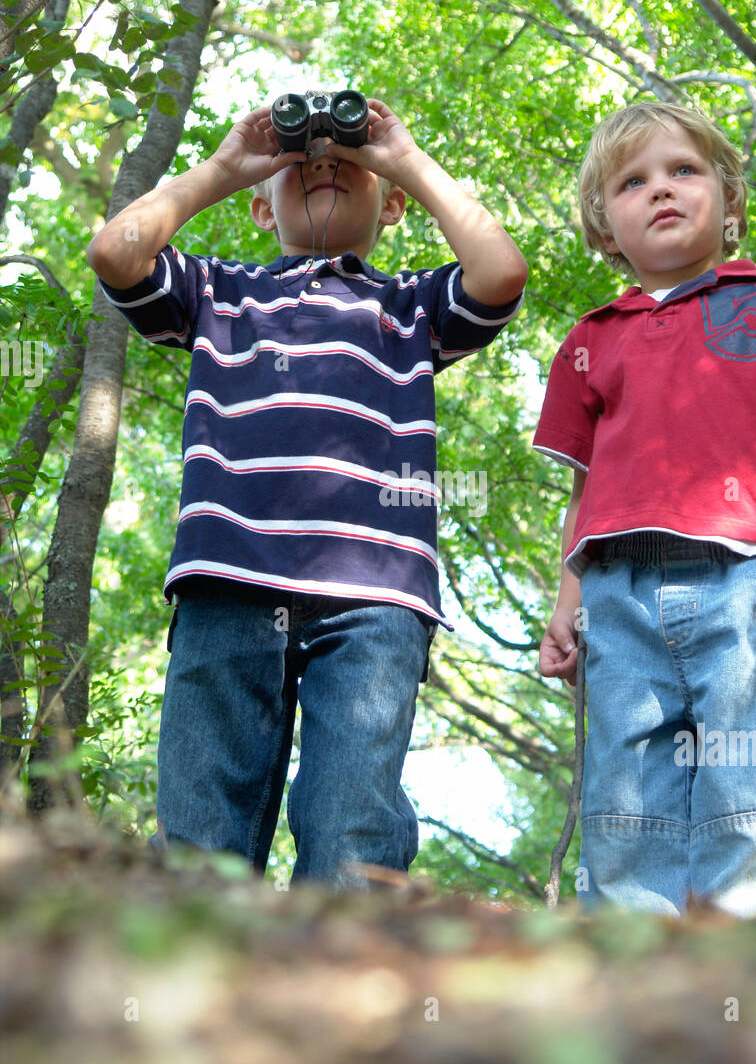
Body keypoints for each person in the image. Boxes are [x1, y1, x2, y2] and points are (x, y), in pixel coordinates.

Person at [86, 94, 526, 889]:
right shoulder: (218, 293)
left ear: (391, 203)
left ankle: (346, 996)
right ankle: (200, 990)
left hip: (375, 595)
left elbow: (500, 273)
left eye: (347, 161)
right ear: (261, 207)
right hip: (228, 579)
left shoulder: (411, 309)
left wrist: (404, 158)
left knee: (351, 822)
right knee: (200, 829)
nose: (325, 164)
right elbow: (116, 252)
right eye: (302, 162)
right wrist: (222, 169)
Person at [534, 101, 756, 916]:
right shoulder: (592, 340)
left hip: (750, 587)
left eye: (684, 170)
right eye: (632, 182)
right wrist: (567, 600)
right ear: (604, 225)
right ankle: (638, 990)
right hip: (615, 598)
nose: (662, 191)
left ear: (727, 196)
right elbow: (586, 486)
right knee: (625, 799)